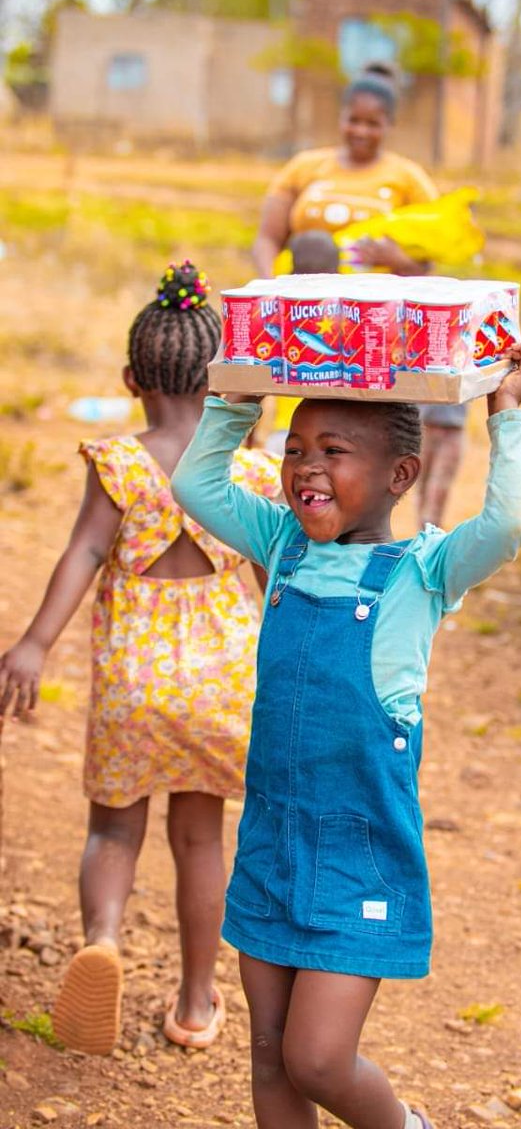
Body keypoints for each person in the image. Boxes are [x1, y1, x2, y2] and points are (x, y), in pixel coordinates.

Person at [171, 340, 521, 1129]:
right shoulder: (281, 545)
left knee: (317, 1059)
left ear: (399, 476)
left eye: (333, 453)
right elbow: (195, 482)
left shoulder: (424, 572)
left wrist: (505, 415)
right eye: (295, 448)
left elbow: (508, 524)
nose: (306, 467)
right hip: (272, 838)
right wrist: (239, 395)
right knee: (269, 1057)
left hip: (359, 850)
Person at [0, 262, 280, 1056]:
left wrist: (32, 644)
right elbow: (276, 584)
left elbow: (84, 552)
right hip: (224, 679)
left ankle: (105, 941)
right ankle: (195, 1002)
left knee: (113, 833)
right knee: (199, 840)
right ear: (223, 377)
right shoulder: (252, 471)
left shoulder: (121, 462)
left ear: (131, 378)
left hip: (135, 676)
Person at [253, 71, 437, 279]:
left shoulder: (409, 177)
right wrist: (270, 291)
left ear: (389, 123)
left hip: (377, 303)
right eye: (354, 120)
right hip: (304, 301)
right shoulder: (303, 167)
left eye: (372, 124)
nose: (361, 131)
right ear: (341, 117)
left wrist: (399, 261)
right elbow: (267, 239)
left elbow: (427, 264)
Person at [265, 229, 341, 457]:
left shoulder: (276, 315)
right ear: (337, 271)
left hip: (286, 435)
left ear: (292, 269)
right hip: (338, 438)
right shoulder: (349, 317)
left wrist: (248, 442)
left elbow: (253, 382)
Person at [417, 401, 468, 528]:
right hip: (423, 426)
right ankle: (423, 532)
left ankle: (431, 529)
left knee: (439, 487)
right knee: (421, 484)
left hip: (452, 428)